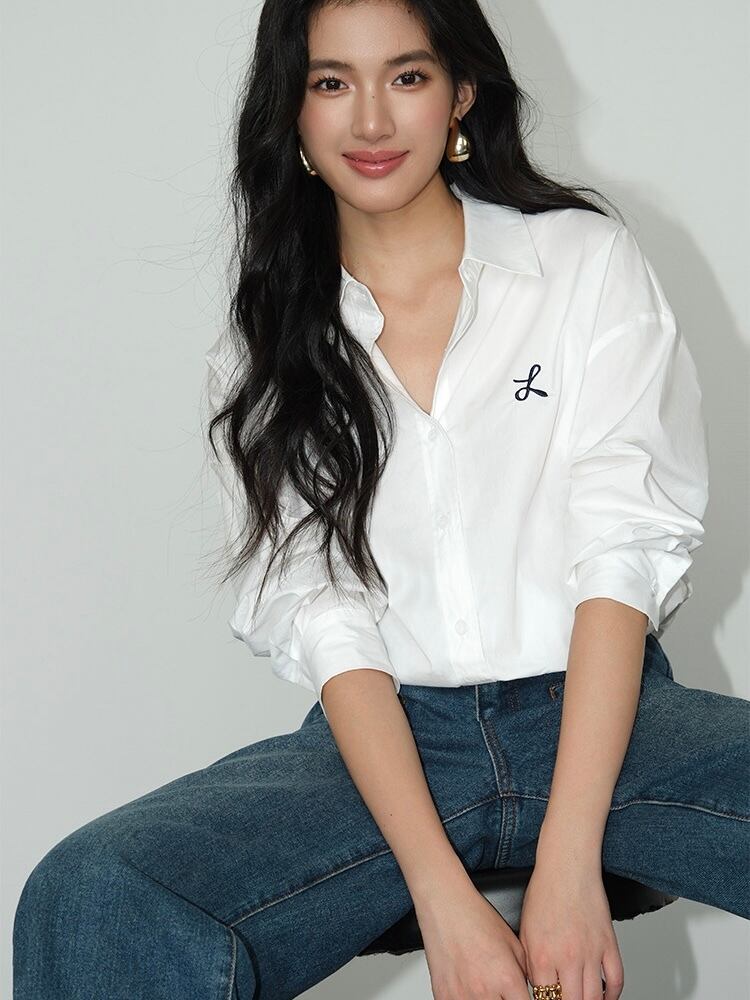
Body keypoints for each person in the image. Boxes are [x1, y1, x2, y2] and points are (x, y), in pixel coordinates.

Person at [13, 0, 749, 998]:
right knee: (94, 892)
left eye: (406, 76)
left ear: (461, 94)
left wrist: (569, 867)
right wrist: (443, 901)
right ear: (294, 110)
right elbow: (328, 620)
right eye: (331, 82)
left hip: (605, 721)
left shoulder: (582, 264)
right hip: (390, 743)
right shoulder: (267, 346)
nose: (370, 120)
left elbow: (622, 549)